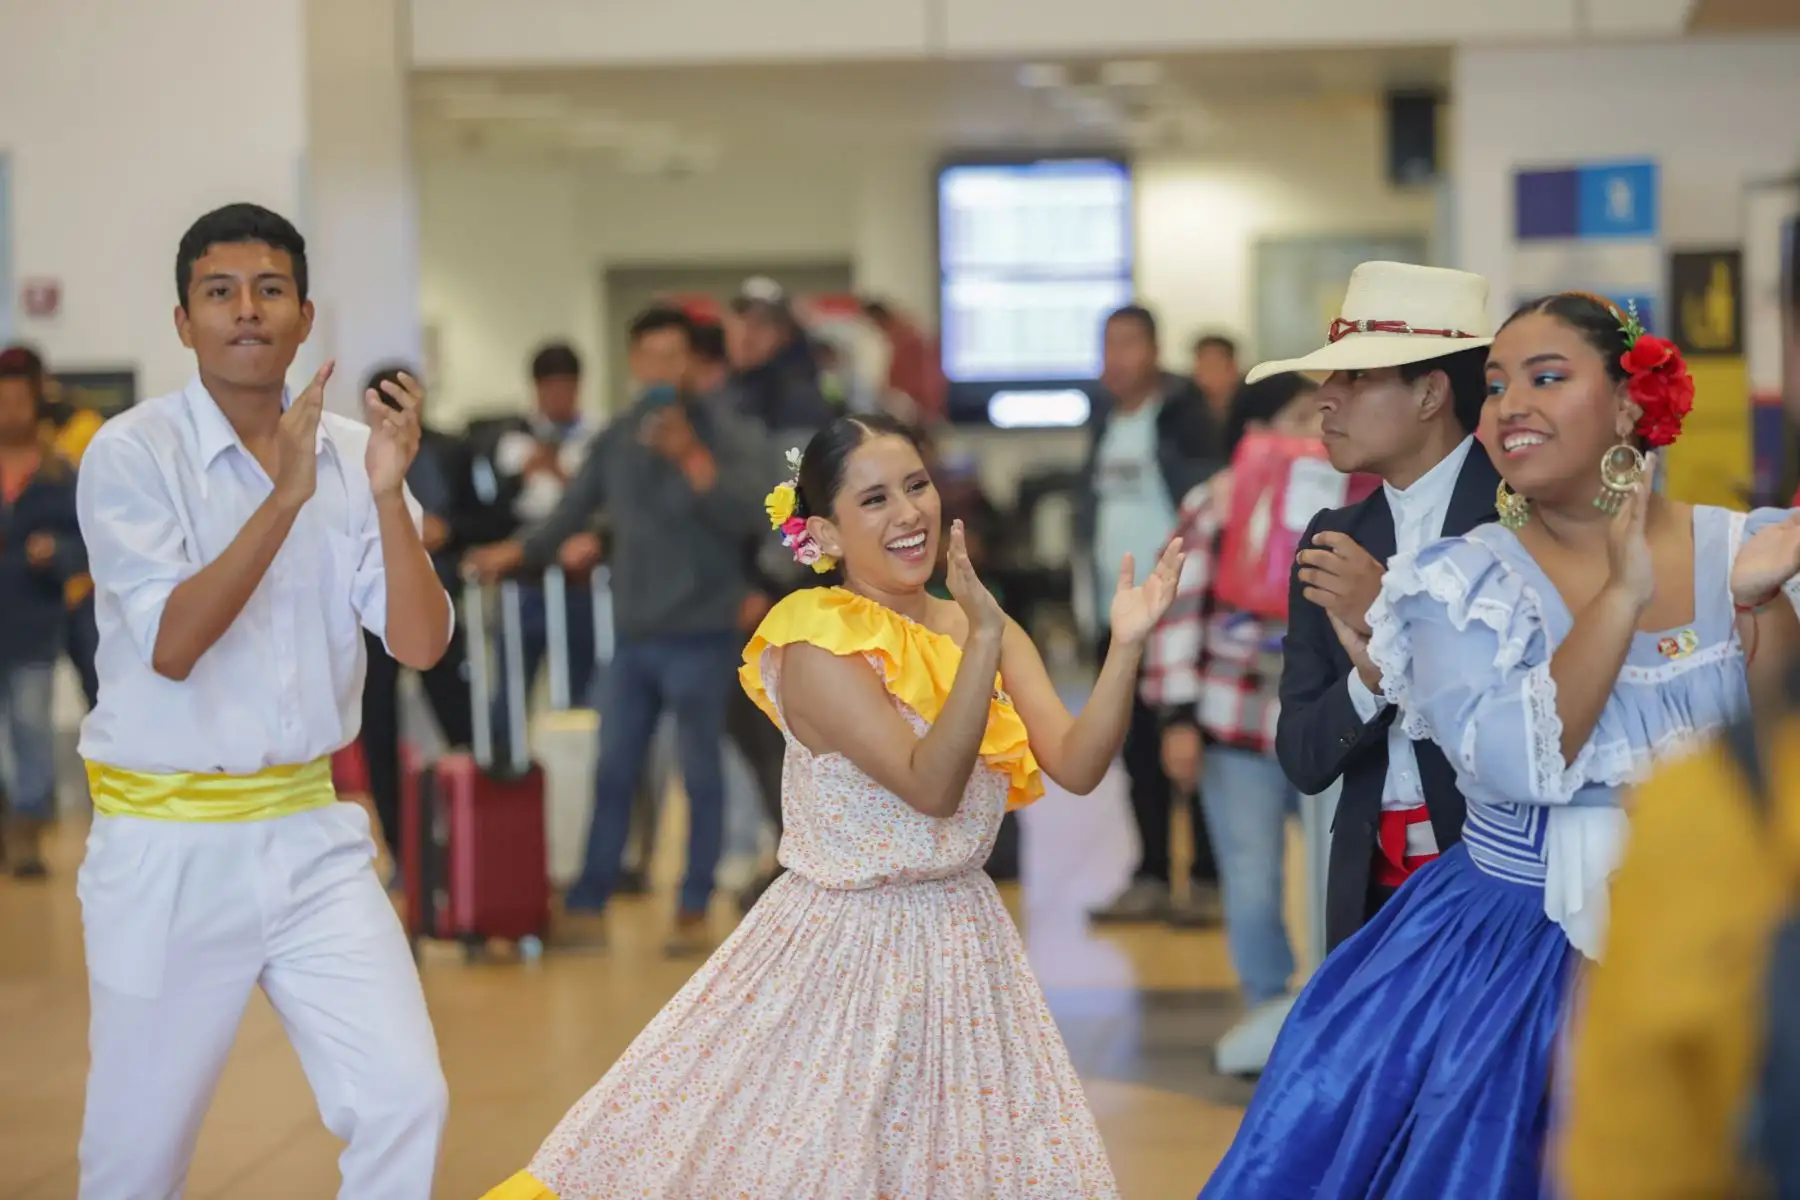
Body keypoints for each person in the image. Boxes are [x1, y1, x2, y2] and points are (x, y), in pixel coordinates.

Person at [482, 412, 1181, 1199]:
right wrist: (980, 647)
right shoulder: (816, 640)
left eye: (916, 485)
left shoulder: (978, 621)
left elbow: (1080, 764)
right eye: (875, 499)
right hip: (844, 949)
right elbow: (930, 786)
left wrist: (1126, 645)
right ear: (826, 533)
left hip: (966, 942)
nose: (909, 513)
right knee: (813, 1164)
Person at [1198, 291, 1800, 1198]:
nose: (1511, 403)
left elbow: (1772, 751)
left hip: (1721, 927)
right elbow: (1521, 763)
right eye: (1497, 384)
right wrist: (1622, 594)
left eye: (1547, 378)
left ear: (1632, 404)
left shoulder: (1741, 545)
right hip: (1511, 950)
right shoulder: (1461, 578)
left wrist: (1756, 604)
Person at [73, 203, 451, 1198]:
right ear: (183, 320)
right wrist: (285, 494)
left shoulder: (355, 454)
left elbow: (419, 643)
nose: (247, 310)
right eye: (220, 292)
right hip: (165, 846)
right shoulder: (130, 454)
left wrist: (381, 496)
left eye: (270, 290)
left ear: (305, 314)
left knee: (404, 1100)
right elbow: (173, 645)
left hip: (310, 833)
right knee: (135, 1158)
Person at [467, 306, 772, 956]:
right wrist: (514, 553)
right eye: (650, 357)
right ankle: (589, 902)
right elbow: (571, 512)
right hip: (634, 637)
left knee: (700, 771)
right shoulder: (615, 440)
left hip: (703, 634)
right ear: (633, 363)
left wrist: (692, 458)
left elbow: (752, 516)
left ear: (691, 363)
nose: (661, 370)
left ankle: (693, 906)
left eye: (673, 357)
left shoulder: (723, 432)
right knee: (613, 767)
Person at [1269, 262, 1498, 951]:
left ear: (1430, 393)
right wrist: (1371, 678)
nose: (1325, 400)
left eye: (1357, 377)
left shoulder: (1519, 522)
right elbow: (1304, 756)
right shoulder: (1333, 539)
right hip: (1371, 898)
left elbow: (1544, 721)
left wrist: (1393, 619)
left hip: (1497, 891)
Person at [1142, 372, 1320, 1074]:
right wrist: (1178, 718)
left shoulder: (1344, 493)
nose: (1315, 428)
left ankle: (1339, 1008)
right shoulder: (1213, 503)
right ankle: (1266, 1010)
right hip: (1234, 722)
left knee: (1342, 874)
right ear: (1253, 428)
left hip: (1325, 724)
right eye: (1299, 414)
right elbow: (1179, 613)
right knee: (1249, 876)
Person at [1078, 303, 1224, 928]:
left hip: (1181, 613)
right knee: (1135, 748)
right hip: (1119, 618)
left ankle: (1213, 879)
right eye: (1107, 345)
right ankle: (1153, 875)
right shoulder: (1102, 420)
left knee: (1193, 745)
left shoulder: (1187, 417)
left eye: (1129, 344)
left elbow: (1210, 503)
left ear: (1155, 350)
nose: (1116, 358)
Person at [357, 362, 488, 877]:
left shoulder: (453, 451)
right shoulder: (351, 457)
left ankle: (472, 843)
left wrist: (447, 529)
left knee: (462, 727)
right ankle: (400, 853)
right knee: (379, 736)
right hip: (372, 617)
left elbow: (486, 516)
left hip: (441, 607)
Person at [0, 353, 84, 878]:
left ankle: (28, 832)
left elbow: (87, 543)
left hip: (33, 624)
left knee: (31, 727)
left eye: (17, 400)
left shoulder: (59, 474)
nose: (9, 410)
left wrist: (54, 551)